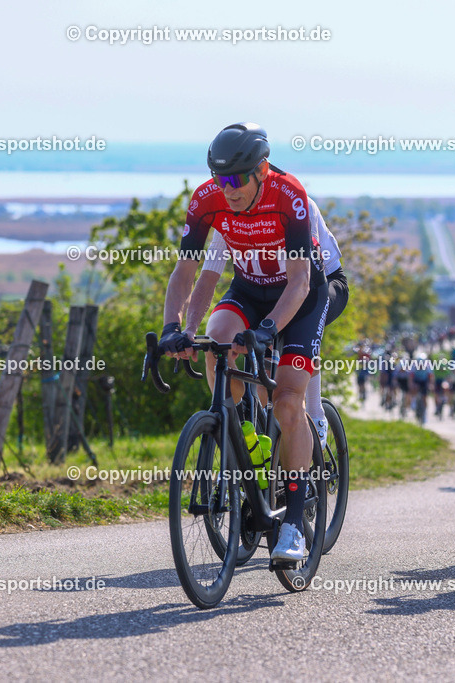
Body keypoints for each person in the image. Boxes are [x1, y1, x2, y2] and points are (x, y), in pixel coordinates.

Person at [159, 122, 328, 563]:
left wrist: (271, 328)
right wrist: (172, 329)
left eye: (236, 179)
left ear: (262, 170)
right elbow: (186, 273)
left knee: (288, 401)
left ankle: (292, 520)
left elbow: (300, 280)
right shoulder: (206, 200)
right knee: (215, 341)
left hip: (299, 295)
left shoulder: (289, 196)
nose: (227, 189)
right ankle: (240, 430)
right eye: (220, 178)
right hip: (250, 289)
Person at [187, 193, 348, 451]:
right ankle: (249, 441)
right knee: (262, 386)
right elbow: (209, 275)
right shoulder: (233, 213)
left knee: (292, 344)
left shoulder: (297, 205)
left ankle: (315, 413)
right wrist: (189, 330)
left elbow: (306, 284)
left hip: (321, 283)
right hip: (268, 290)